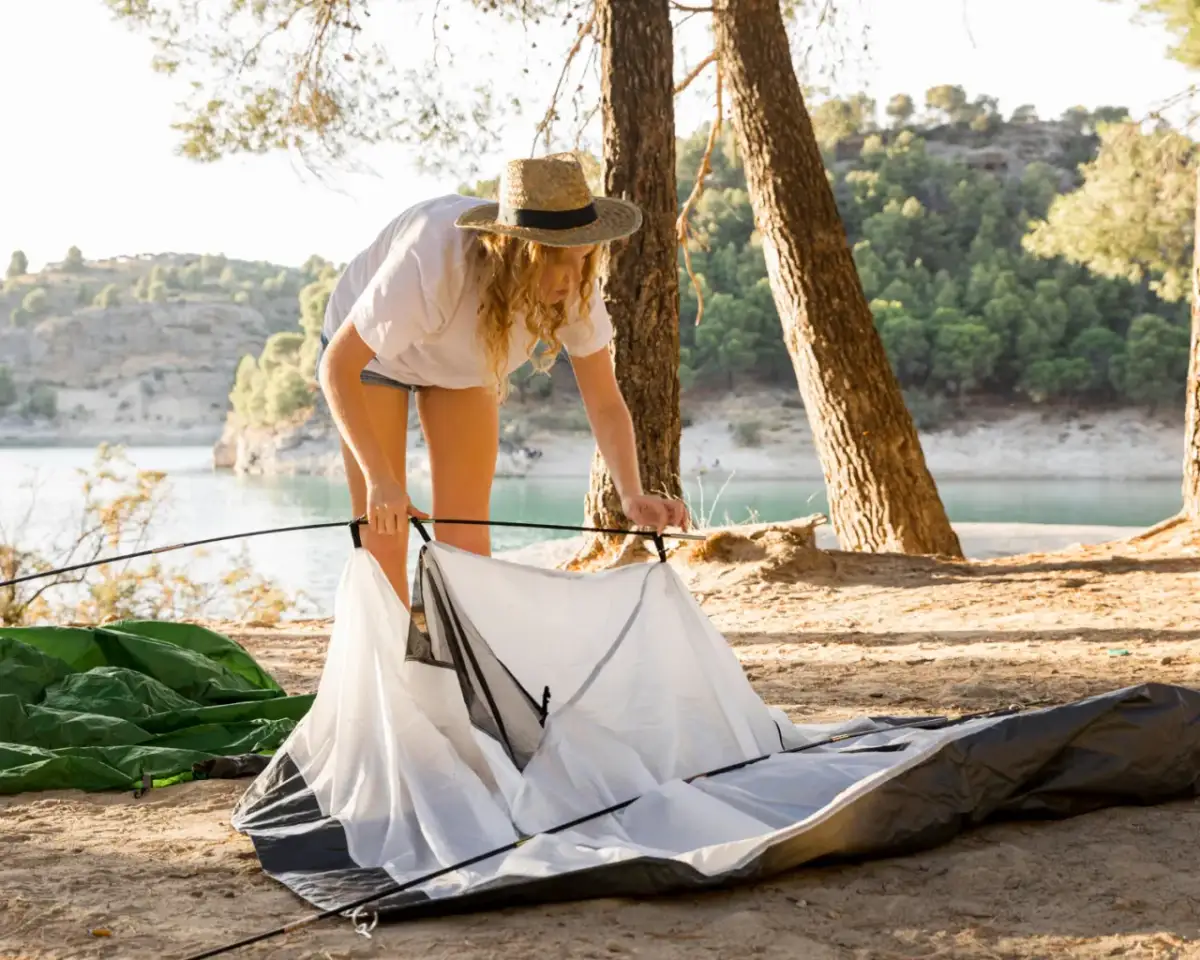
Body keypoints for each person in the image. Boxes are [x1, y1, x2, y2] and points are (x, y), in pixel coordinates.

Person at [318, 153, 689, 607]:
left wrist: (631, 493)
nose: (573, 280)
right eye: (558, 261)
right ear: (519, 251)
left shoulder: (574, 286)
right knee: (384, 533)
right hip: (375, 359)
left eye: (585, 256)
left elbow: (605, 401)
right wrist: (380, 479)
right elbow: (337, 367)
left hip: (461, 363)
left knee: (466, 538)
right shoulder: (432, 259)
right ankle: (390, 662)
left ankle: (463, 662)